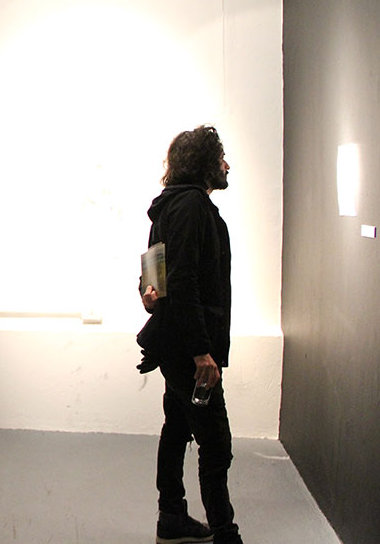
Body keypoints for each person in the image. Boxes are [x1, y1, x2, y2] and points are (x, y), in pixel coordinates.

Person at [138, 125, 242, 544]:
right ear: (204, 163)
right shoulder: (193, 207)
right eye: (221, 158)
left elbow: (154, 272)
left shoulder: (167, 206)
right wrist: (201, 352)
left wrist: (148, 295)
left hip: (173, 343)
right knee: (215, 444)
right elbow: (182, 282)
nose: (227, 165)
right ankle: (225, 533)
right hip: (188, 351)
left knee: (177, 427)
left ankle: (171, 517)